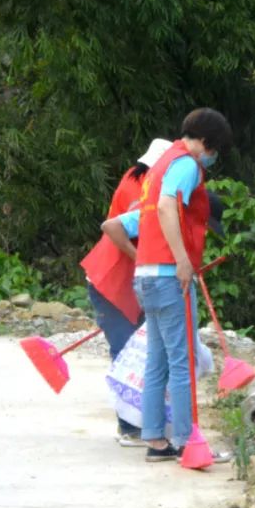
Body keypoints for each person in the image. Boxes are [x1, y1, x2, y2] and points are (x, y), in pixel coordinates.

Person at [129, 108, 232, 462]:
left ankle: (157, 440)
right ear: (206, 142)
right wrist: (183, 260)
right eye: (214, 149)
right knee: (182, 361)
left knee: (157, 360)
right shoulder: (187, 164)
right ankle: (190, 443)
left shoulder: (159, 164)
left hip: (145, 274)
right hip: (169, 274)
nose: (212, 156)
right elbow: (166, 206)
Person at [81, 138, 172, 445]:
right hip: (112, 279)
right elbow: (120, 228)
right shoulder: (143, 188)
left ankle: (145, 421)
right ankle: (129, 427)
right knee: (126, 353)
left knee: (140, 351)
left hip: (132, 281)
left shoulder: (135, 179)